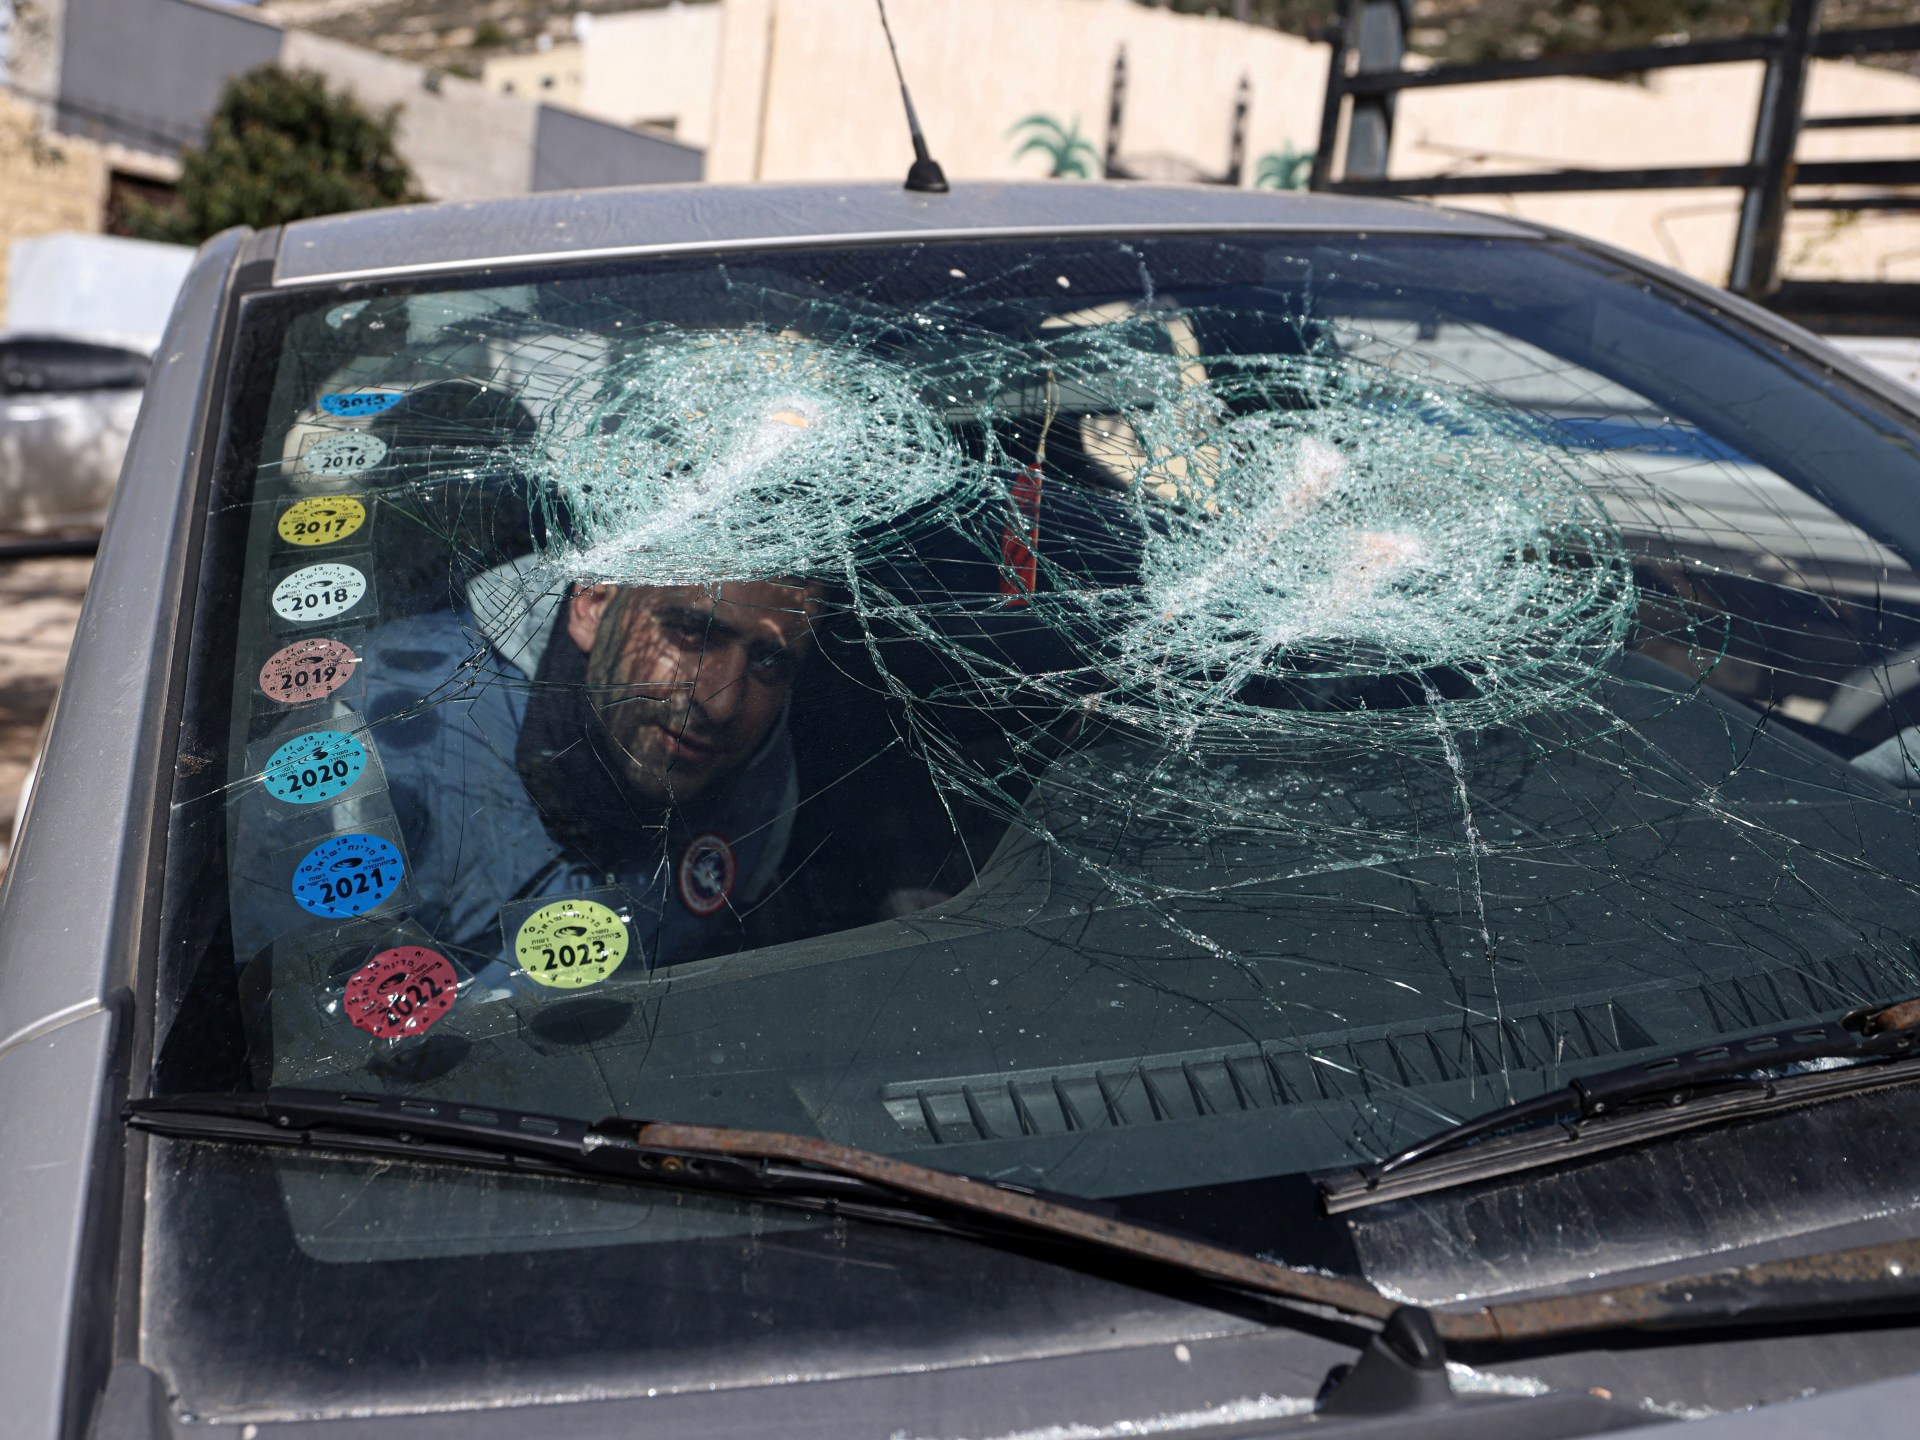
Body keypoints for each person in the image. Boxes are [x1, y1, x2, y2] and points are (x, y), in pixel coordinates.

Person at [355, 561, 822, 975]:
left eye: (769, 662)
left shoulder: (763, 778)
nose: (721, 704)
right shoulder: (382, 735)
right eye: (691, 631)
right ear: (593, 604)